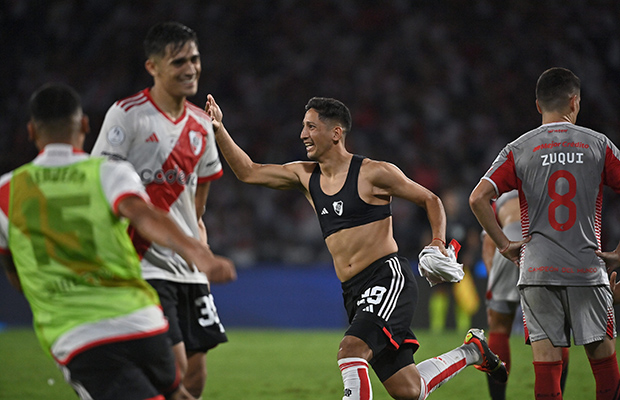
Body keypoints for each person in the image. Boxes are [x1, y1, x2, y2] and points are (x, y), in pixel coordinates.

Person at [204, 95, 507, 400]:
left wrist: (438, 243)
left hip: (387, 278)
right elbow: (249, 172)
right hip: (353, 291)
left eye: (310, 126)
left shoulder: (372, 172)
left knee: (350, 351)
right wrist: (219, 128)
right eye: (303, 127)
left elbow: (430, 200)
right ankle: (472, 351)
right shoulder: (305, 175)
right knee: (408, 389)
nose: (302, 134)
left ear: (336, 133)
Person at [0, 83, 232, 400]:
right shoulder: (109, 173)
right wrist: (201, 255)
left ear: (30, 131)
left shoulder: (6, 192)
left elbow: (15, 272)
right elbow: (147, 215)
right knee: (178, 394)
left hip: (80, 334)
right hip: (143, 323)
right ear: (83, 125)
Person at [91, 21, 236, 400]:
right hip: (141, 263)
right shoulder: (127, 116)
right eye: (178, 62)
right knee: (174, 371)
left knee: (197, 375)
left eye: (195, 58)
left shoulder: (202, 126)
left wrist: (200, 261)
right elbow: (99, 188)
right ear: (152, 67)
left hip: (188, 268)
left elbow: (197, 209)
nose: (190, 68)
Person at [470, 67, 620, 400]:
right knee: (603, 359)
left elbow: (478, 198)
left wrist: (505, 244)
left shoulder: (519, 148)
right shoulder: (598, 145)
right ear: (575, 102)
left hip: (536, 270)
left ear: (538, 105)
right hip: (587, 267)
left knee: (547, 365)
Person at [480, 190, 569, 399]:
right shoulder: (547, 184)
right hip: (547, 245)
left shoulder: (498, 196)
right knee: (556, 333)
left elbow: (488, 244)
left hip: (509, 241)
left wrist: (494, 284)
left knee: (499, 326)